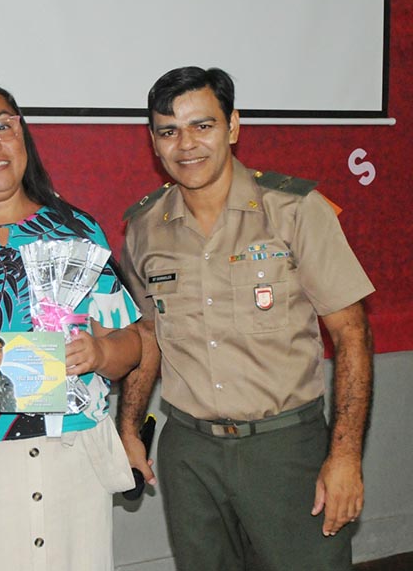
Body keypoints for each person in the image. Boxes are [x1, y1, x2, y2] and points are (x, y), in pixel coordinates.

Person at [118, 66, 375, 571]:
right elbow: (148, 336)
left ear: (233, 126)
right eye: (168, 131)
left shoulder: (294, 210)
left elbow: (353, 336)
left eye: (203, 126)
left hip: (284, 449)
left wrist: (344, 456)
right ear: (153, 142)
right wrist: (128, 428)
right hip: (189, 452)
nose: (186, 144)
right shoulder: (144, 228)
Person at [0, 79, 141, 571]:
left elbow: (131, 345)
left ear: (24, 137)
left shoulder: (79, 229)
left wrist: (99, 355)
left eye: (3, 126)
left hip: (72, 457)